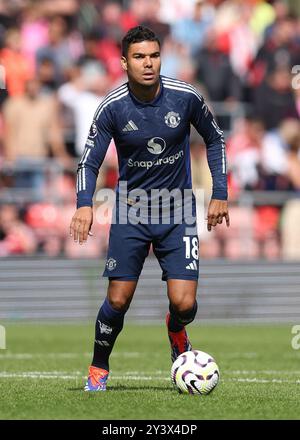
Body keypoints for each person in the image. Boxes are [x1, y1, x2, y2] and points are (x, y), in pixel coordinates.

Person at [69, 26, 230, 392]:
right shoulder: (112, 107)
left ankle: (176, 330)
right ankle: (98, 369)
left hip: (177, 211)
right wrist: (83, 205)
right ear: (124, 62)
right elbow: (89, 162)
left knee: (184, 304)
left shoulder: (185, 97)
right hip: (131, 211)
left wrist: (220, 191)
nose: (148, 64)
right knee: (118, 299)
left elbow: (215, 138)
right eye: (139, 57)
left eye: (154, 56)